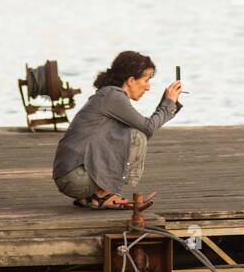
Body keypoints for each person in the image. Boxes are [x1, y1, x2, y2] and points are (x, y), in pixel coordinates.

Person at [52, 51, 182, 209]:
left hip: (70, 176)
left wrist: (168, 104)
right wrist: (168, 103)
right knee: (137, 136)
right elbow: (147, 128)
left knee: (127, 133)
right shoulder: (113, 96)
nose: (148, 87)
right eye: (146, 80)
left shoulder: (108, 95)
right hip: (76, 177)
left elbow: (147, 124)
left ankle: (92, 197)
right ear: (131, 80)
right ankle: (104, 194)